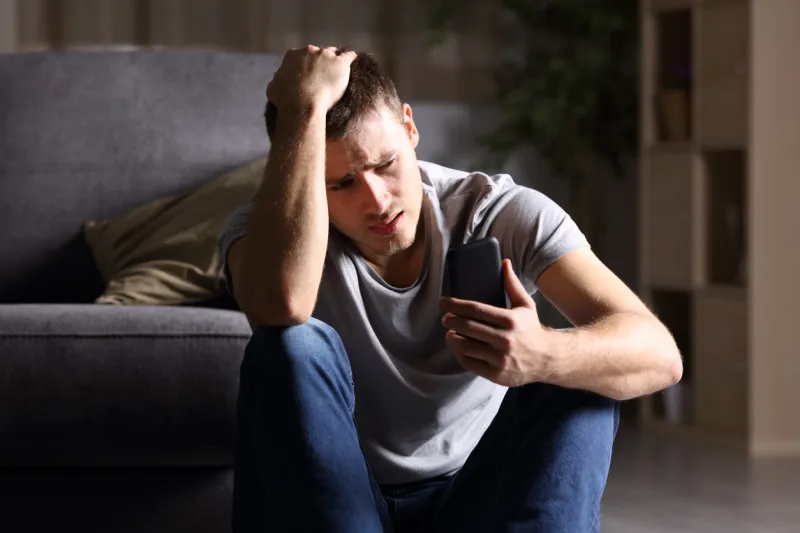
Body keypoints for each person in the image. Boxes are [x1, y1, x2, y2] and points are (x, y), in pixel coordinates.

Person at [220, 46, 682, 533]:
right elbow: (283, 304)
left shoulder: (498, 211)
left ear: (410, 127)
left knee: (582, 372)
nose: (376, 201)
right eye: (342, 184)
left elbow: (661, 356)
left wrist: (544, 353)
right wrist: (303, 108)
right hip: (342, 505)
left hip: (473, 498)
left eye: (385, 165)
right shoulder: (261, 234)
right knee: (288, 344)